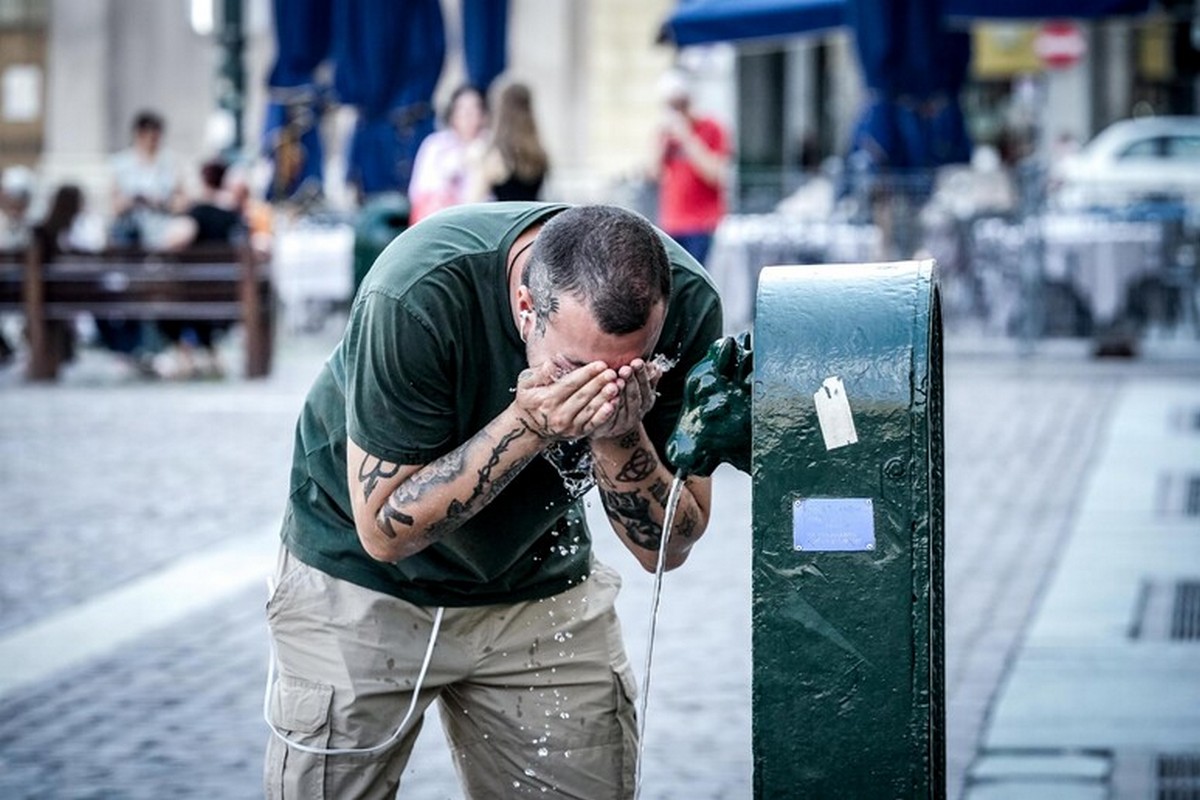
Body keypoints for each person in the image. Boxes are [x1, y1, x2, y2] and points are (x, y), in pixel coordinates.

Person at [263, 202, 723, 798]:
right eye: (576, 368)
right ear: (528, 310)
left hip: (537, 579)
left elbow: (667, 547)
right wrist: (529, 425)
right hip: (360, 584)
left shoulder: (686, 302)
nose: (602, 390)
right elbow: (382, 531)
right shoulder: (416, 293)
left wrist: (618, 431)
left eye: (631, 370)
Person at [156, 158, 248, 378]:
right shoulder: (235, 215)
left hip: (194, 294)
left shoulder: (198, 212)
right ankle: (209, 353)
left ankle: (184, 355)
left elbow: (173, 240)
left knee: (166, 296)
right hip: (230, 293)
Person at [652, 69, 731, 268]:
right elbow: (653, 174)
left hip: (702, 224)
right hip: (671, 222)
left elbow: (714, 174)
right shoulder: (666, 133)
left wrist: (687, 136)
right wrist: (660, 147)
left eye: (679, 104)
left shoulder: (712, 128)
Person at [406, 84, 488, 224]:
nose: (467, 116)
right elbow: (420, 190)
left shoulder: (488, 146)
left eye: (474, 109)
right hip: (437, 220)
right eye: (462, 109)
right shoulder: (436, 145)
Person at [109, 110, 185, 249]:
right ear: (139, 135)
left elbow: (181, 201)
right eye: (149, 136)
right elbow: (115, 205)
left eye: (156, 136)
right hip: (130, 227)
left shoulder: (171, 162)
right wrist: (133, 201)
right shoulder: (120, 163)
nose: (153, 141)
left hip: (163, 226)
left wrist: (162, 203)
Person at [466, 80, 549, 203]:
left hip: (505, 220)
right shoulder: (538, 152)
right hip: (533, 219)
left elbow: (472, 200)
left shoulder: (495, 155)